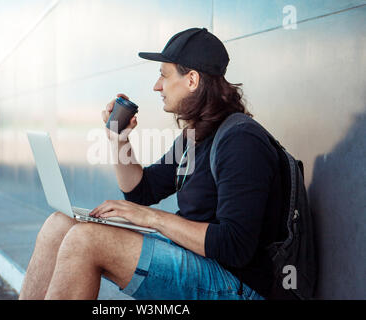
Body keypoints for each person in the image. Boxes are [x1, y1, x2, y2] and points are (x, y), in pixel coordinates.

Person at [19, 27, 282, 300]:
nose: (157, 86)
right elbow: (140, 191)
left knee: (85, 240)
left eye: (164, 75)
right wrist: (118, 140)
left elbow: (234, 246)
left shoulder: (240, 140)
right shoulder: (195, 135)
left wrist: (153, 219)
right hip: (196, 259)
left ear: (192, 80)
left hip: (236, 283)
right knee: (59, 224)